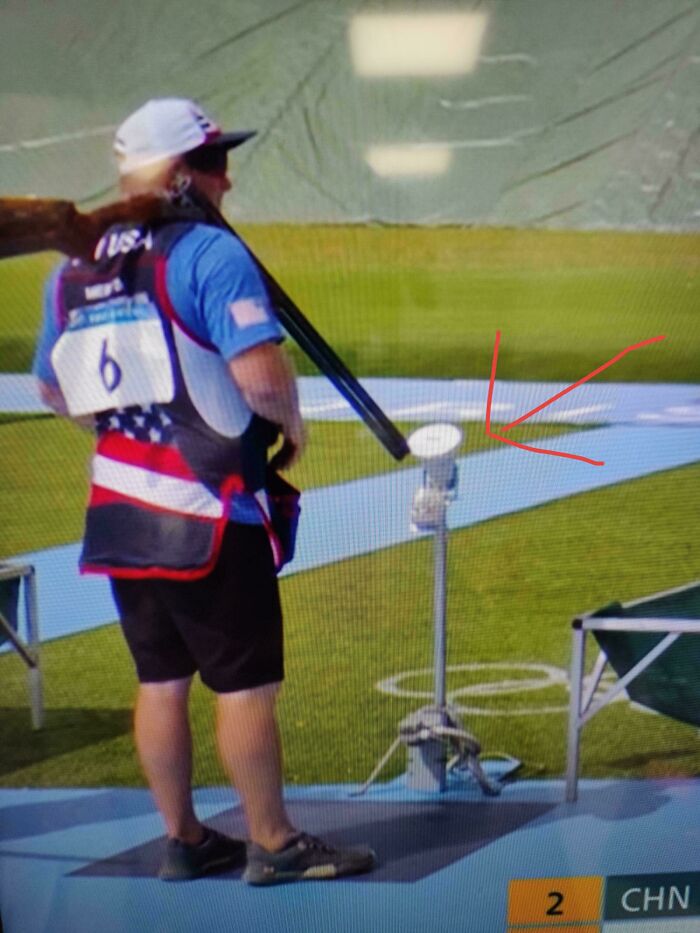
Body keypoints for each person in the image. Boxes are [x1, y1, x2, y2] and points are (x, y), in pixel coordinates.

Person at [33, 97, 376, 884]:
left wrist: (124, 430)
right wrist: (293, 424)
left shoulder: (71, 269)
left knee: (160, 678)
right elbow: (259, 377)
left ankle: (184, 838)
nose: (228, 177)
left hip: (120, 511)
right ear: (183, 175)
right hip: (209, 509)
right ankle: (275, 840)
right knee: (247, 683)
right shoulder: (209, 255)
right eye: (216, 162)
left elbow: (55, 387)